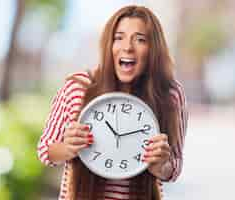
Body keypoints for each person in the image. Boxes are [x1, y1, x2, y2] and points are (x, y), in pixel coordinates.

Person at [37, 5, 188, 200]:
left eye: (140, 39)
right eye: (119, 37)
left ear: (153, 48)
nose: (127, 47)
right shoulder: (78, 87)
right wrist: (67, 147)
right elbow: (45, 151)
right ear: (109, 45)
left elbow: (174, 167)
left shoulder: (170, 95)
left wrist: (161, 166)